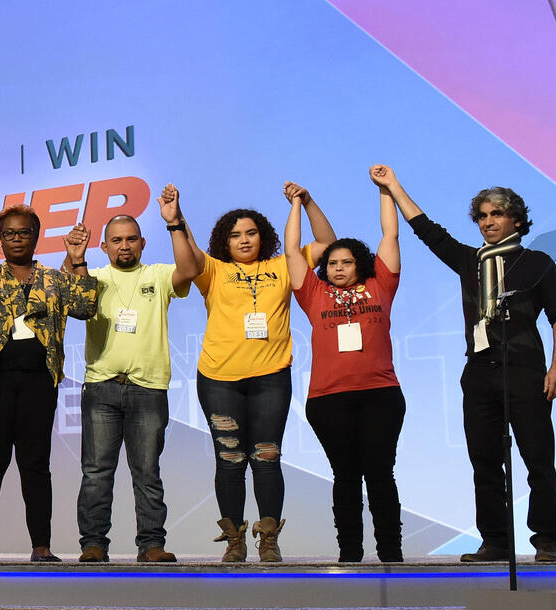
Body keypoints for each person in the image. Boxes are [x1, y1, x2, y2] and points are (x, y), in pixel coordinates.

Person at [374, 165, 556, 562]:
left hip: (526, 369)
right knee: (484, 460)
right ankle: (495, 541)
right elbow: (427, 230)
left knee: (537, 457)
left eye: (495, 214)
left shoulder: (537, 262)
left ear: (515, 219)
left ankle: (547, 540)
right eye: (481, 216)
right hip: (479, 371)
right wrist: (394, 185)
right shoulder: (470, 261)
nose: (487, 222)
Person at [162, 183, 332, 563]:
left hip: (271, 376)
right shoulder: (214, 270)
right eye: (236, 234)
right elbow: (188, 256)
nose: (244, 240)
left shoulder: (284, 265)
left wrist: (306, 202)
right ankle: (235, 539)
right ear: (225, 241)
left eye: (251, 233)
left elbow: (326, 241)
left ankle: (268, 539)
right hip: (219, 378)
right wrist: (176, 219)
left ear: (264, 236)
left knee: (267, 456)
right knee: (230, 458)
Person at [0, 207, 100, 562]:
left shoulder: (53, 277)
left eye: (23, 232)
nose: (16, 238)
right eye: (9, 233)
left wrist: (78, 260)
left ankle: (41, 546)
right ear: (0, 237)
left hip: (40, 383)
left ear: (35, 236)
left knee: (35, 464)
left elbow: (87, 306)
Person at [288, 172, 405, 563]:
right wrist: (295, 206)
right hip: (329, 399)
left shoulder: (380, 286)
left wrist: (385, 190)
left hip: (380, 396)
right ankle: (350, 555)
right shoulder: (313, 292)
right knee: (346, 476)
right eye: (333, 263)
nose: (338, 268)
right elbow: (292, 252)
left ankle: (391, 553)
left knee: (380, 474)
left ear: (361, 264)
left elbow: (390, 235)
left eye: (346, 262)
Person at [69, 214, 190, 563]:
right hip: (102, 387)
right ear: (104, 246)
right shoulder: (94, 278)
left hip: (148, 388)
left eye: (131, 239)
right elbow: (77, 302)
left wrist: (175, 224)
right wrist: (76, 259)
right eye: (117, 240)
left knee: (147, 472)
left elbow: (189, 268)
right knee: (95, 472)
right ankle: (93, 544)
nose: (125, 245)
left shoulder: (158, 275)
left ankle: (151, 545)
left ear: (142, 243)